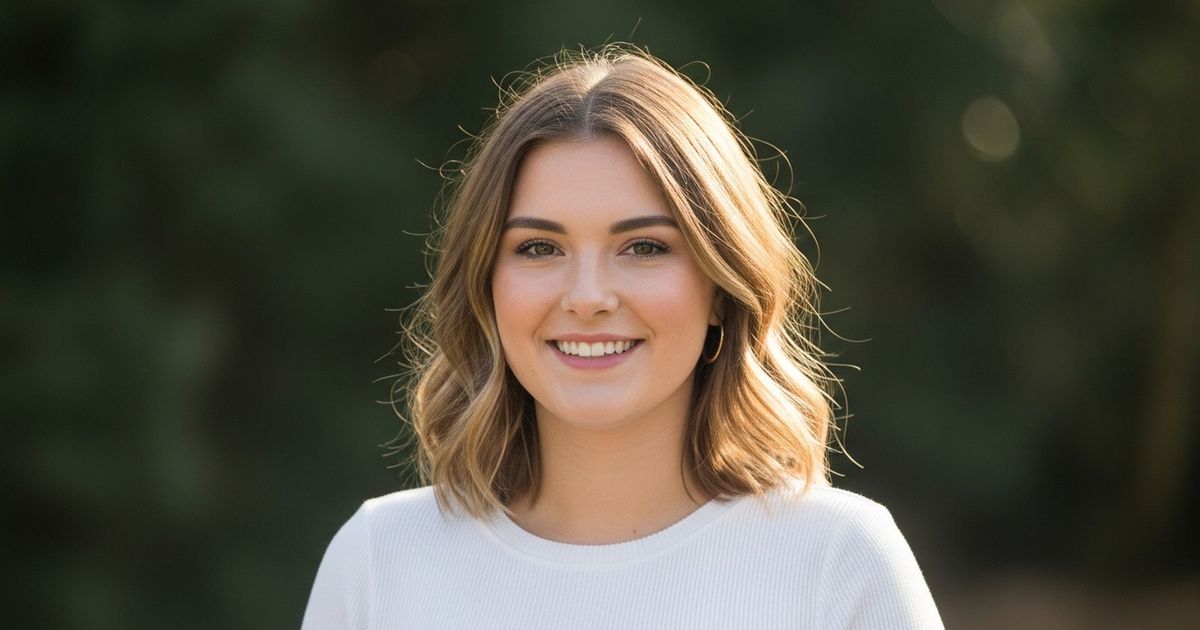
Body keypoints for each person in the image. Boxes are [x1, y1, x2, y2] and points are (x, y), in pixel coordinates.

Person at [301, 43, 943, 629]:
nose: (587, 298)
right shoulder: (380, 562)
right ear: (485, 286)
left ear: (721, 287)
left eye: (642, 246)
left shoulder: (839, 561)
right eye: (539, 247)